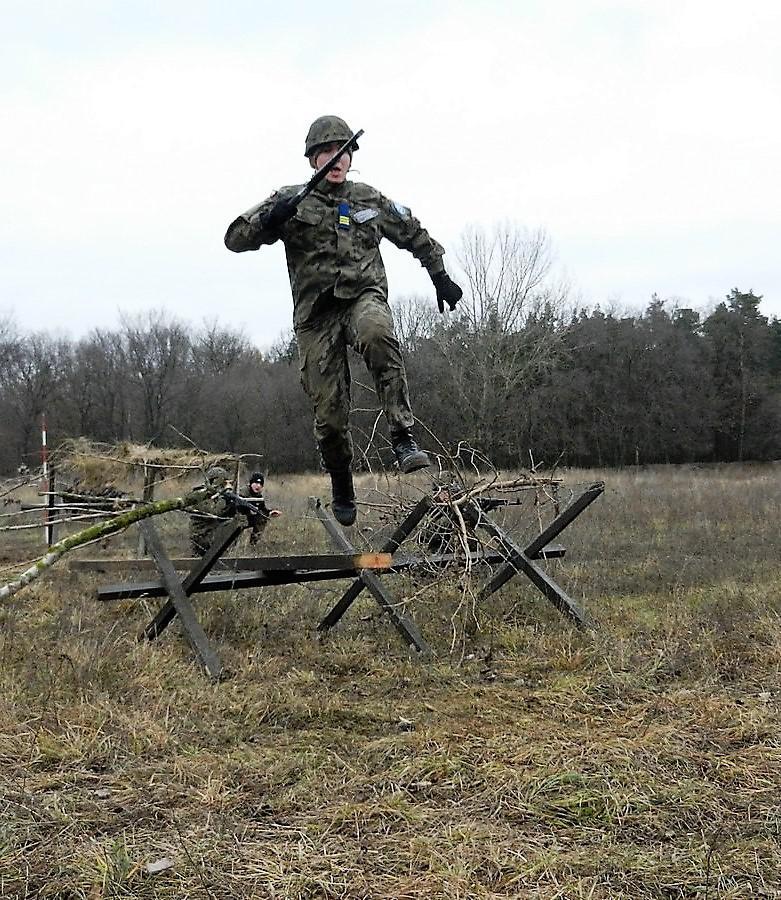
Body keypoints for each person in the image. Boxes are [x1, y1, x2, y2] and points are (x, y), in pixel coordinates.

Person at [224, 115, 463, 527]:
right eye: (327, 152)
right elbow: (234, 238)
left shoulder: (369, 199)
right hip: (316, 317)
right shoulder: (291, 199)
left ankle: (403, 437)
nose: (337, 158)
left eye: (344, 151)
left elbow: (414, 231)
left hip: (361, 297)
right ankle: (340, 481)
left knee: (377, 332)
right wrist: (270, 219)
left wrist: (439, 276)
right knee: (330, 415)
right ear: (313, 159)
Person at [189, 466, 234, 557]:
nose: (223, 485)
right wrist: (224, 496)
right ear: (213, 481)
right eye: (222, 482)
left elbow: (224, 515)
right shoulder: (200, 494)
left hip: (212, 531)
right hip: (202, 535)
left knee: (234, 523)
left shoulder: (215, 493)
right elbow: (214, 513)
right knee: (229, 525)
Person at [240, 471, 282, 545]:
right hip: (238, 517)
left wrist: (270, 512)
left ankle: (254, 542)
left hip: (248, 517)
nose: (258, 486)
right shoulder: (243, 492)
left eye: (260, 484)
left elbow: (262, 509)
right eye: (256, 483)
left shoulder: (258, 496)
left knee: (262, 518)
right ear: (251, 483)